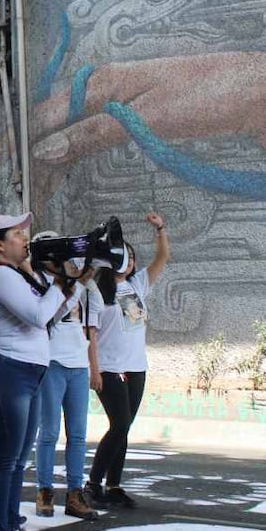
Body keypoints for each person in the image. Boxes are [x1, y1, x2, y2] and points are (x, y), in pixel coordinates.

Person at [0, 213, 76, 531]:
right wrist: (60, 287)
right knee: (5, 458)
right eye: (17, 234)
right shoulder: (0, 275)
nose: (24, 239)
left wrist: (72, 281)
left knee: (18, 460)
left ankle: (12, 528)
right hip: (8, 370)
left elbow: (55, 312)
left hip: (27, 371)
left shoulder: (21, 274)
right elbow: (36, 316)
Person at [83, 213, 170, 510]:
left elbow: (162, 258)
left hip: (136, 367)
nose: (130, 262)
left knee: (125, 427)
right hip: (109, 368)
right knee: (118, 425)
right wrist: (94, 370)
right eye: (124, 257)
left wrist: (160, 229)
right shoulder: (96, 291)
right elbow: (90, 334)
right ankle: (93, 484)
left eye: (132, 258)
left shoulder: (137, 285)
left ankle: (114, 485)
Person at [30, 231, 99, 521]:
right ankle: (44, 490)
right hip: (52, 361)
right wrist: (78, 285)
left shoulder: (77, 282)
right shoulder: (36, 284)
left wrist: (88, 273)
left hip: (78, 363)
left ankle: (74, 492)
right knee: (49, 432)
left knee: (79, 434)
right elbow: (50, 317)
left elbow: (90, 322)